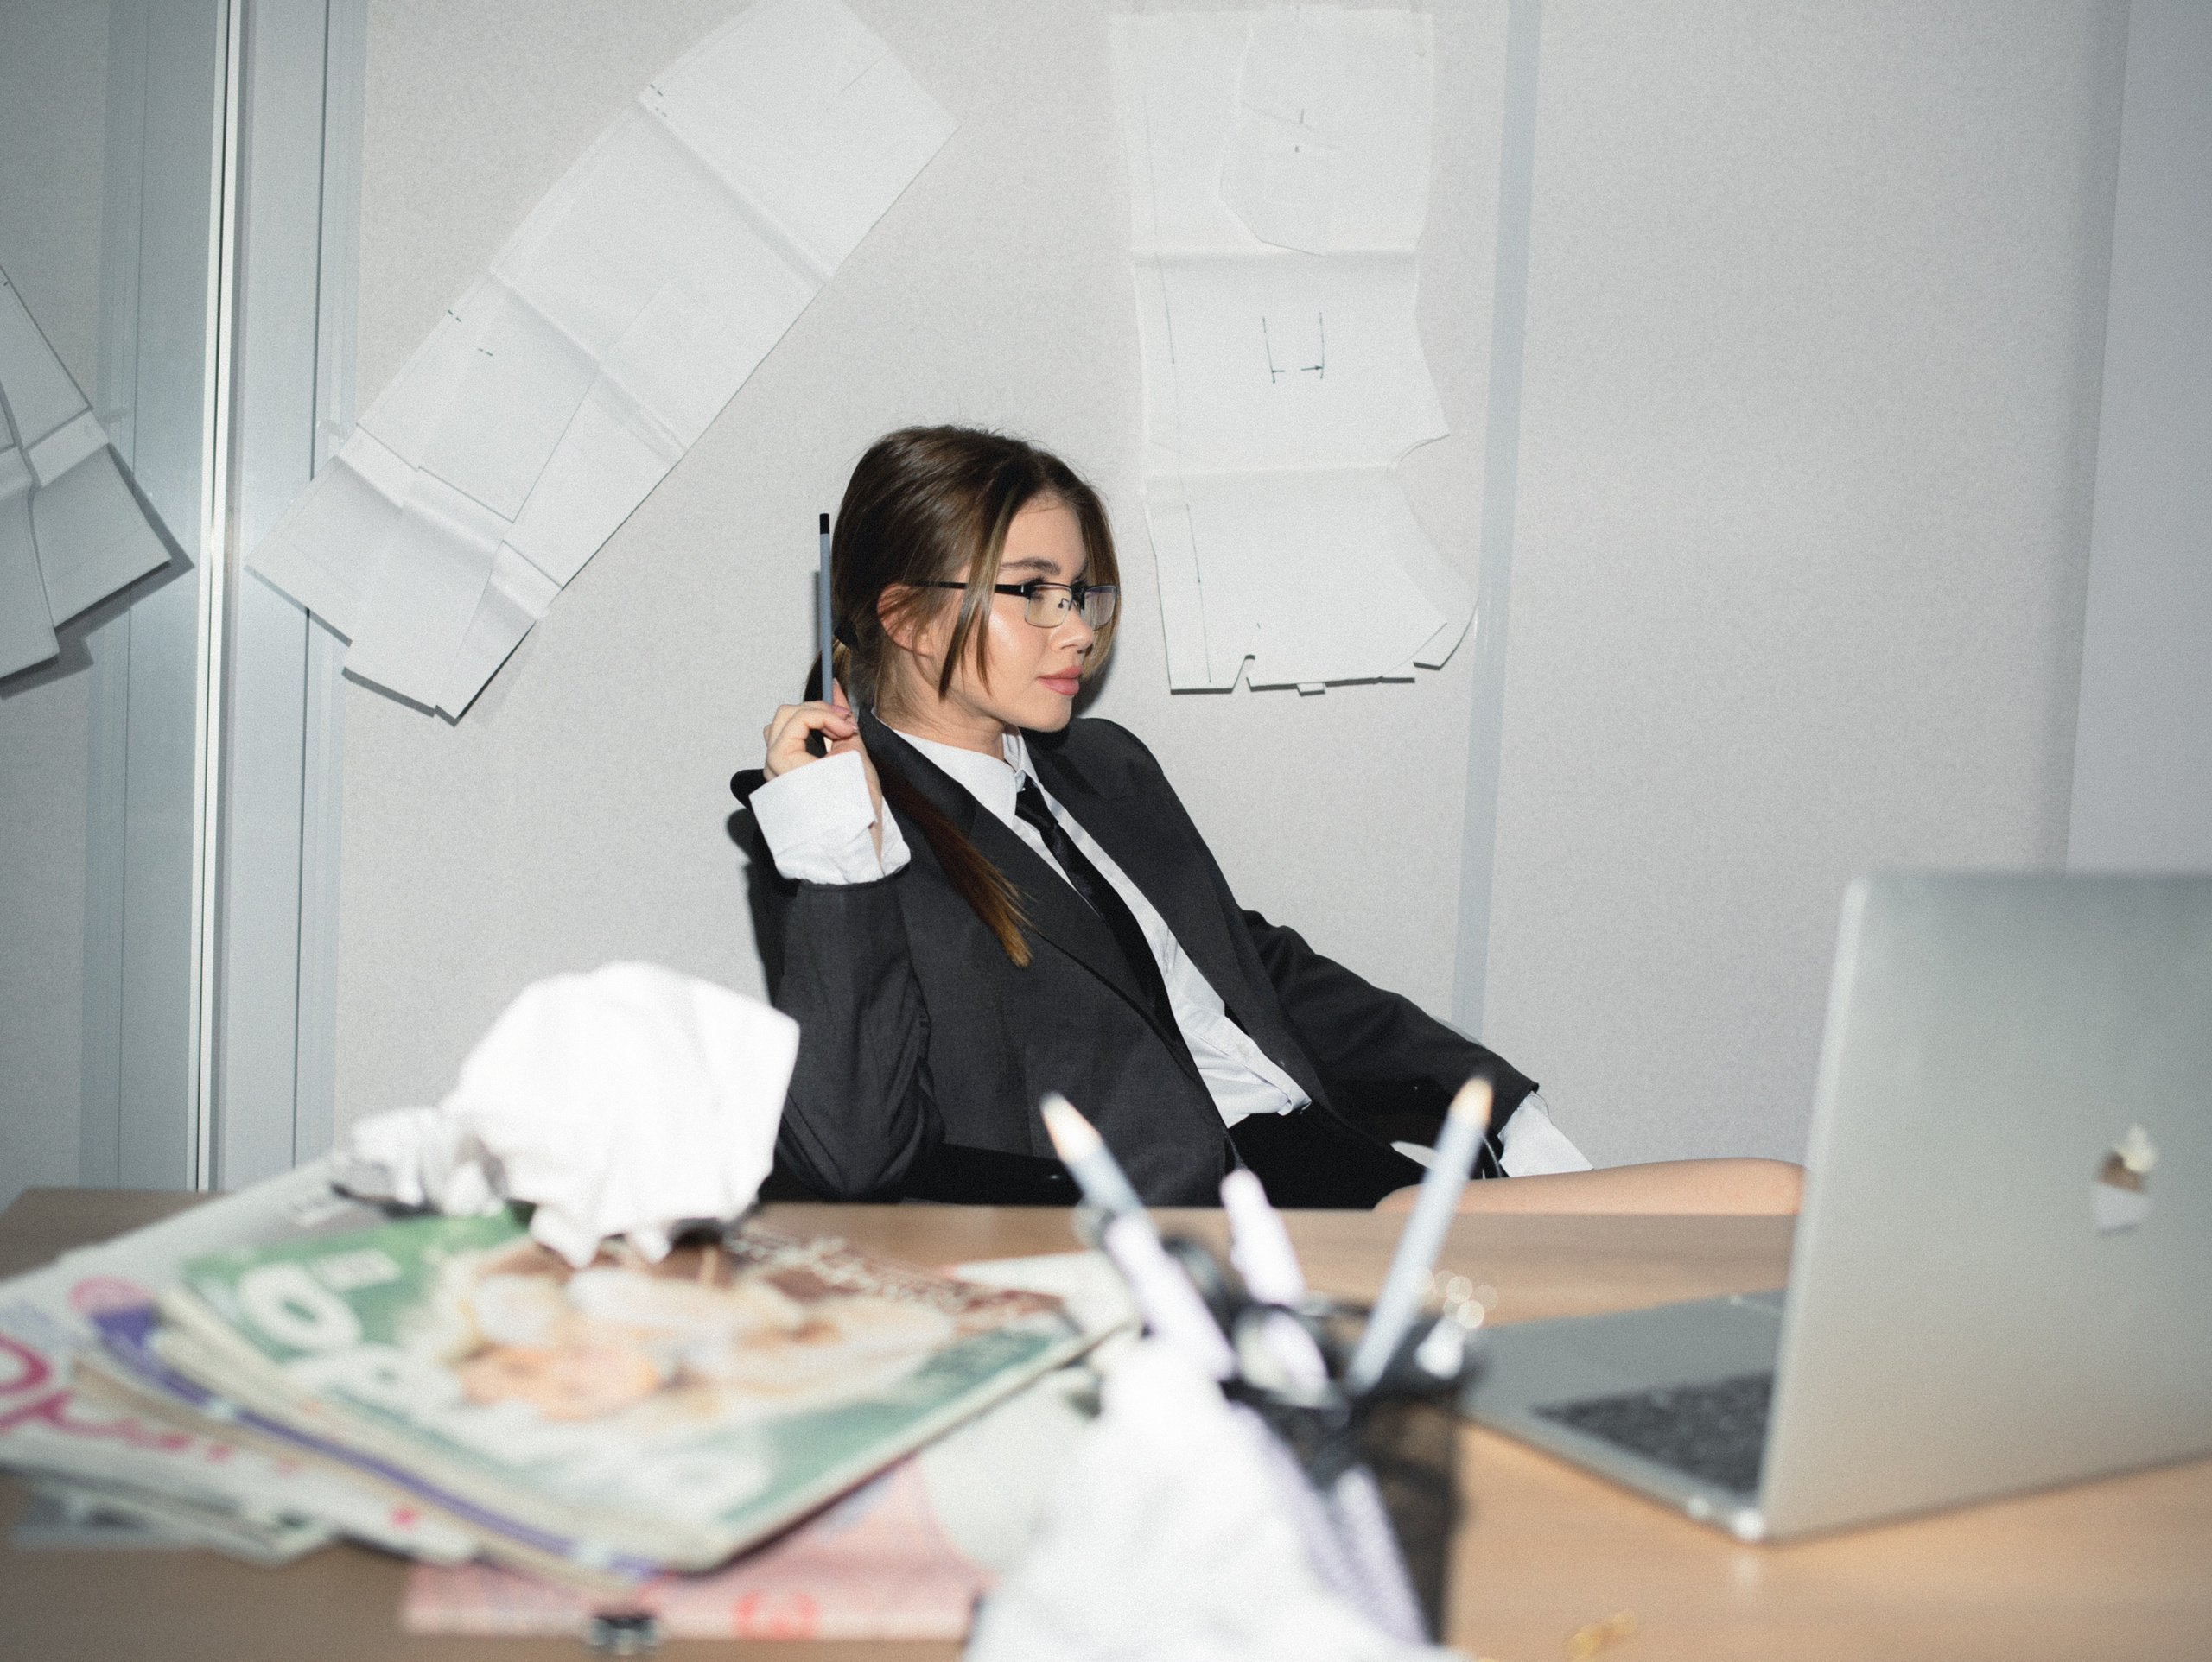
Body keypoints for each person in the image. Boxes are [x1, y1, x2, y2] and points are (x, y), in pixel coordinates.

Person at [734, 427, 1801, 1214]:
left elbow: (1256, 969)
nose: (1078, 631)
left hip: (1328, 1172)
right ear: (909, 616)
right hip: (1194, 1238)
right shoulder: (851, 839)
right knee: (1756, 1212)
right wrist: (837, 857)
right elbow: (851, 1157)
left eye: (1085, 593)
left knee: (1771, 1202)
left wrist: (1493, 1098)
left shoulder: (1104, 768)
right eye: (1032, 592)